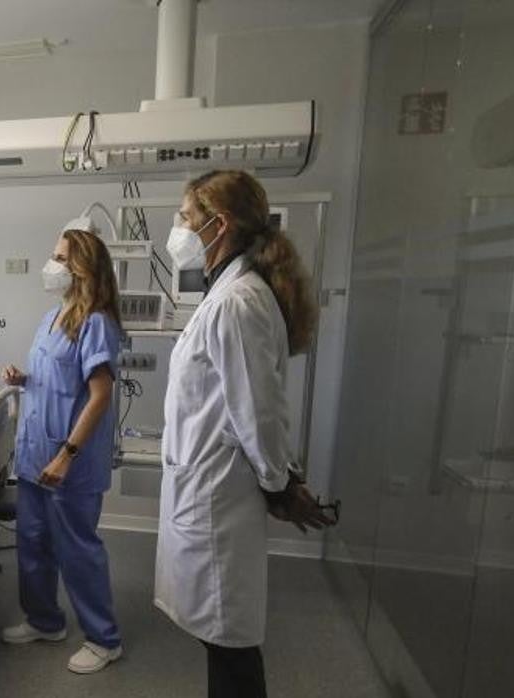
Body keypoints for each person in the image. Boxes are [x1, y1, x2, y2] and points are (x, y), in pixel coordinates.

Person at [154, 170, 334, 698]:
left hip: (218, 495)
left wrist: (280, 484)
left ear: (220, 224)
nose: (179, 229)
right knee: (222, 640)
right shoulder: (229, 294)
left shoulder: (237, 302)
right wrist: (281, 481)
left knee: (230, 645)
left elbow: (259, 411)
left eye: (186, 217)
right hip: (210, 486)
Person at [0, 227, 124, 675]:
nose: (51, 265)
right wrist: (23, 378)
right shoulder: (53, 316)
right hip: (35, 454)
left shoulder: (96, 323)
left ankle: (104, 639)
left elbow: (100, 395)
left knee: (76, 550)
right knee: (32, 543)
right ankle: (44, 621)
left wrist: (66, 454)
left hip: (71, 460)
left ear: (82, 267)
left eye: (59, 257)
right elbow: (56, 378)